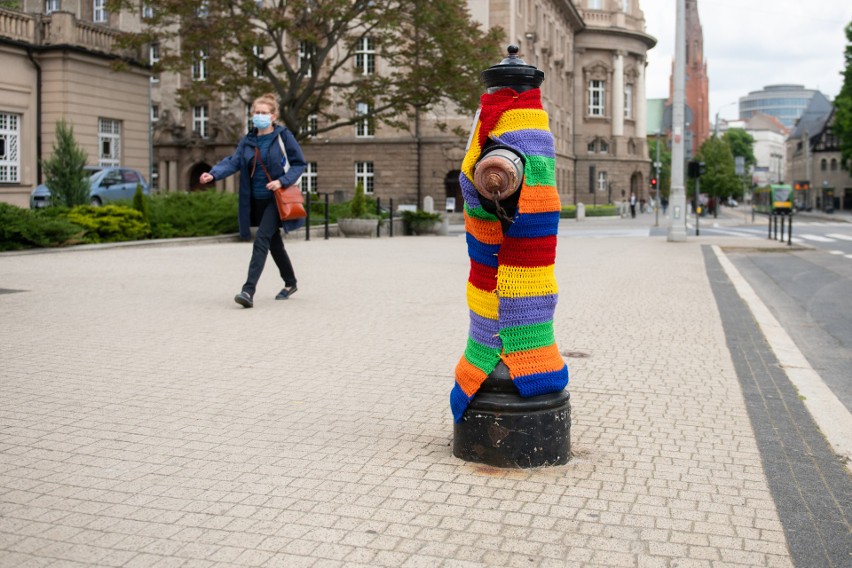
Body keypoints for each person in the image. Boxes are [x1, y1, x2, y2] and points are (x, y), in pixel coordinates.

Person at [200, 93, 306, 308]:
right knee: (273, 242)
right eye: (256, 113)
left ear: (273, 116)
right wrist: (213, 174)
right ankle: (290, 282)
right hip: (254, 199)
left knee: (261, 241)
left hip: (276, 199)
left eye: (264, 113)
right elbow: (234, 161)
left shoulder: (283, 136)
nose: (260, 116)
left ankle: (247, 291)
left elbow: (299, 164)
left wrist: (281, 181)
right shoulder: (248, 140)